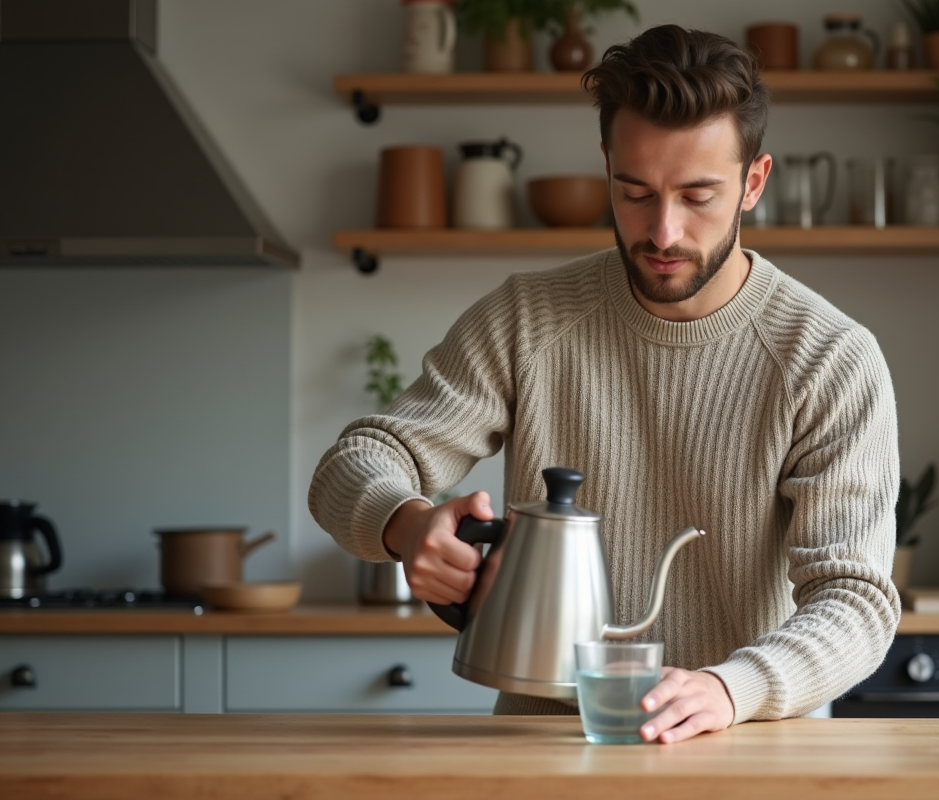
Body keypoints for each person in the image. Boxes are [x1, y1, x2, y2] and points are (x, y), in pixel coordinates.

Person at [309, 23, 900, 744]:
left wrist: (727, 687)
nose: (664, 232)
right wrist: (406, 527)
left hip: (749, 750)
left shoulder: (830, 357)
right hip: (545, 750)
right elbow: (354, 462)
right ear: (606, 168)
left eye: (698, 196)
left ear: (754, 183)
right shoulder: (528, 319)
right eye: (635, 192)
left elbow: (856, 601)